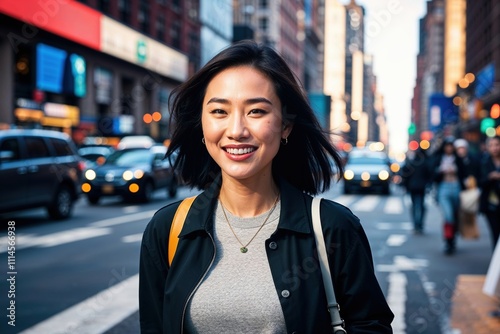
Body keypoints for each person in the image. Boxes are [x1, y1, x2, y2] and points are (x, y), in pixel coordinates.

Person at [139, 40, 394, 333]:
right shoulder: (167, 230)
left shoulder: (334, 228)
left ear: (285, 125)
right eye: (219, 112)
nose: (236, 131)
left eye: (256, 111)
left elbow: (370, 325)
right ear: (202, 123)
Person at [431, 137, 467, 255]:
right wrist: (441, 171)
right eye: (447, 146)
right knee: (448, 216)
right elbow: (432, 174)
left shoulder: (458, 159)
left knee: (455, 215)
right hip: (443, 188)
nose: (449, 148)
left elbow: (465, 173)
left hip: (456, 188)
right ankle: (448, 240)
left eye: (451, 146)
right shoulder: (438, 158)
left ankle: (452, 240)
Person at [401, 147, 431, 234]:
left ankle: (416, 224)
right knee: (421, 205)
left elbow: (405, 174)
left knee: (415, 206)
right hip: (421, 187)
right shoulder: (424, 163)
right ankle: (419, 224)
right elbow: (429, 174)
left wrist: (405, 186)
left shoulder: (411, 163)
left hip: (412, 187)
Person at [479, 136, 500, 250]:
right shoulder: (484, 162)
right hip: (491, 204)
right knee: (495, 232)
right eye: (491, 145)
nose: (494, 148)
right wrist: (490, 177)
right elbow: (479, 181)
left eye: (497, 145)